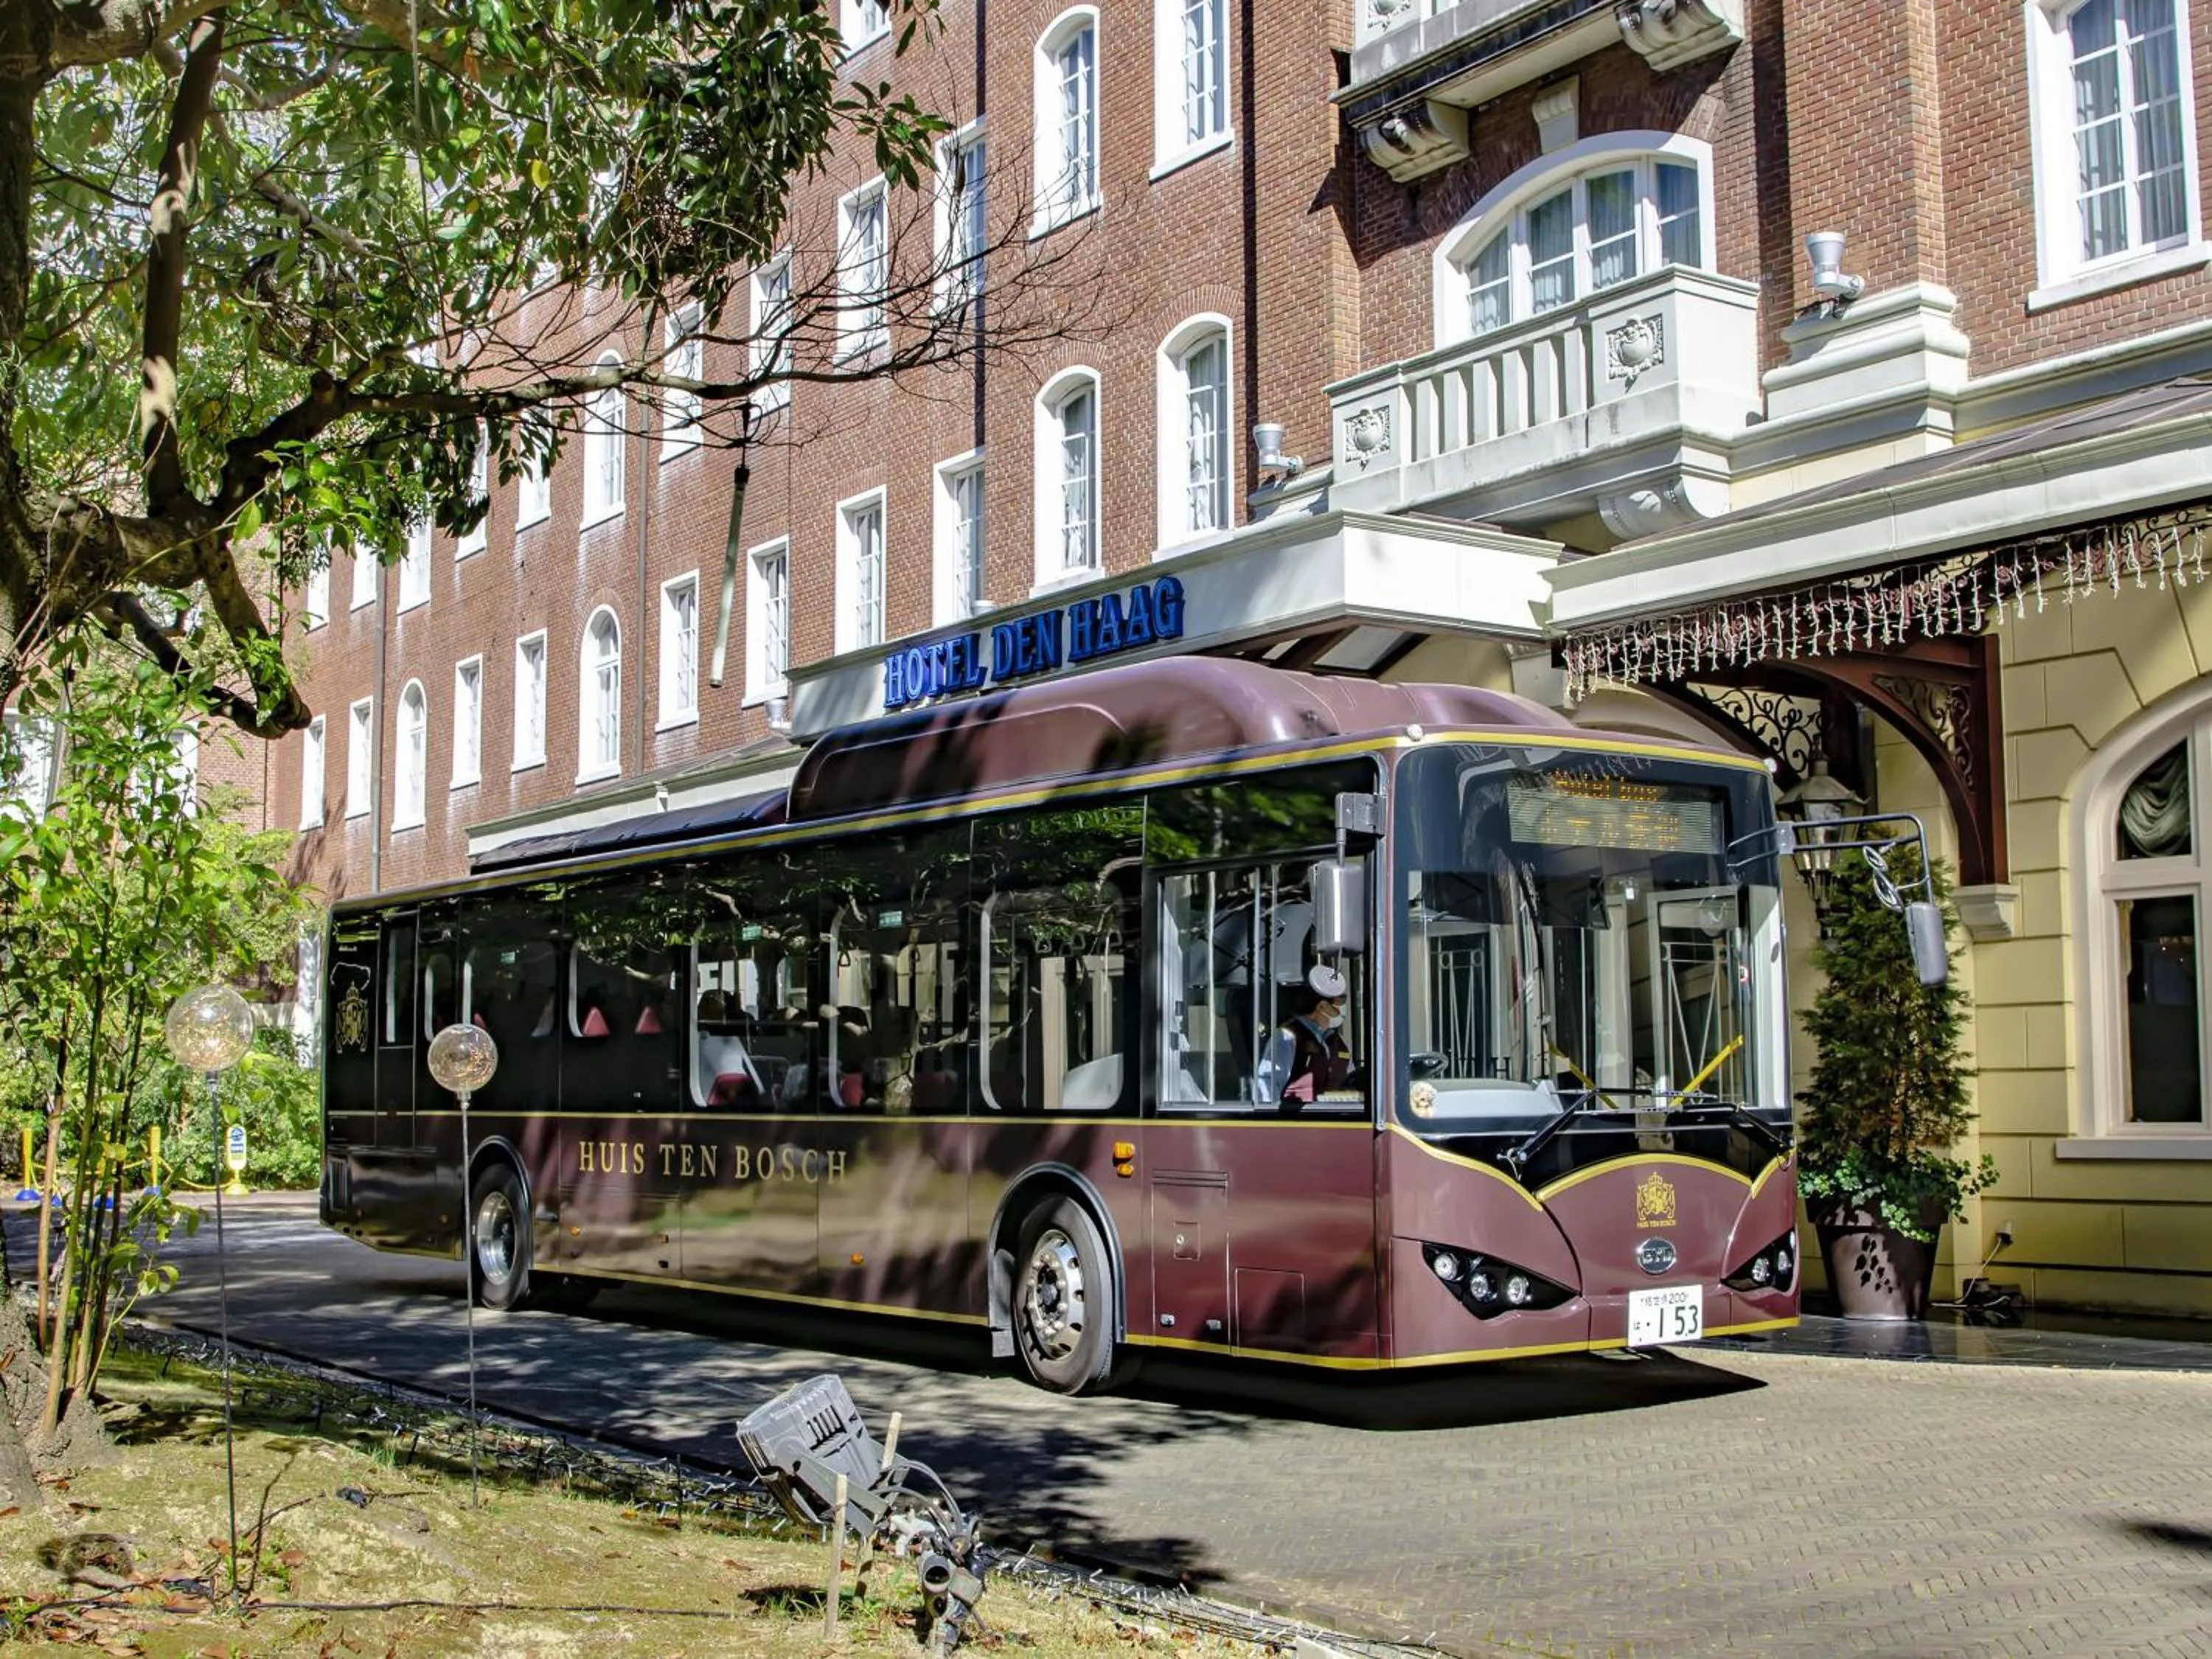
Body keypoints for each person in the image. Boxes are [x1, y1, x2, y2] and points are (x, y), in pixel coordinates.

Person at [1277, 964, 1353, 1108]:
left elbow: (1350, 1081)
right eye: (1340, 1001)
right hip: (1299, 1118)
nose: (1342, 1010)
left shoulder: (1340, 1042)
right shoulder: (1287, 1037)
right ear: (1322, 1007)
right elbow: (1268, 1085)